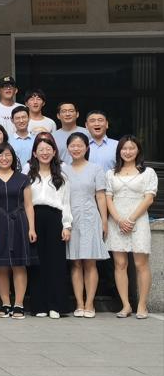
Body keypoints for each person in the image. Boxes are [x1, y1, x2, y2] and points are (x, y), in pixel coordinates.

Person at [106, 136, 158, 319]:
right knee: (120, 264)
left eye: (131, 148)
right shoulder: (111, 173)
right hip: (117, 221)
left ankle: (142, 305)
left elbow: (149, 198)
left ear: (138, 150)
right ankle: (126, 305)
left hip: (138, 220)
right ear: (119, 151)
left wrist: (131, 219)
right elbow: (108, 198)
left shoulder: (148, 172)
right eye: (124, 148)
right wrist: (119, 220)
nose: (127, 152)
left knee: (140, 264)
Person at [0, 143, 36, 320]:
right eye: (0, 155)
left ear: (13, 157)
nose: (4, 159)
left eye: (7, 155)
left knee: (19, 264)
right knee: (1, 265)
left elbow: (28, 205)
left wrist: (32, 228)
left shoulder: (23, 178)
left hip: (19, 222)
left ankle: (19, 304)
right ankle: (5, 303)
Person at [63, 132, 109, 318]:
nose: (76, 149)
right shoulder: (63, 170)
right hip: (71, 219)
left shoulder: (96, 169)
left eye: (80, 145)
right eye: (72, 146)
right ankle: (79, 303)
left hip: (90, 218)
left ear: (86, 148)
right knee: (75, 262)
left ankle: (90, 303)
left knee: (90, 262)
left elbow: (101, 196)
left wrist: (104, 220)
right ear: (68, 148)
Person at [27, 135, 72, 318]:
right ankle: (39, 305)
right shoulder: (28, 175)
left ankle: (56, 305)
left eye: (48, 149)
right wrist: (29, 226)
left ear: (54, 152)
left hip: (55, 218)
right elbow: (26, 203)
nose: (44, 153)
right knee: (37, 262)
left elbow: (66, 202)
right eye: (41, 150)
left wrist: (67, 225)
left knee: (56, 263)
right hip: (34, 218)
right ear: (34, 153)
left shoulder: (61, 176)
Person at [9, 106, 35, 170]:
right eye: (17, 118)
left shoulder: (36, 139)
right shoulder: (8, 140)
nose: (21, 121)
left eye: (24, 117)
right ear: (12, 120)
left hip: (34, 174)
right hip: (14, 174)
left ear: (29, 118)